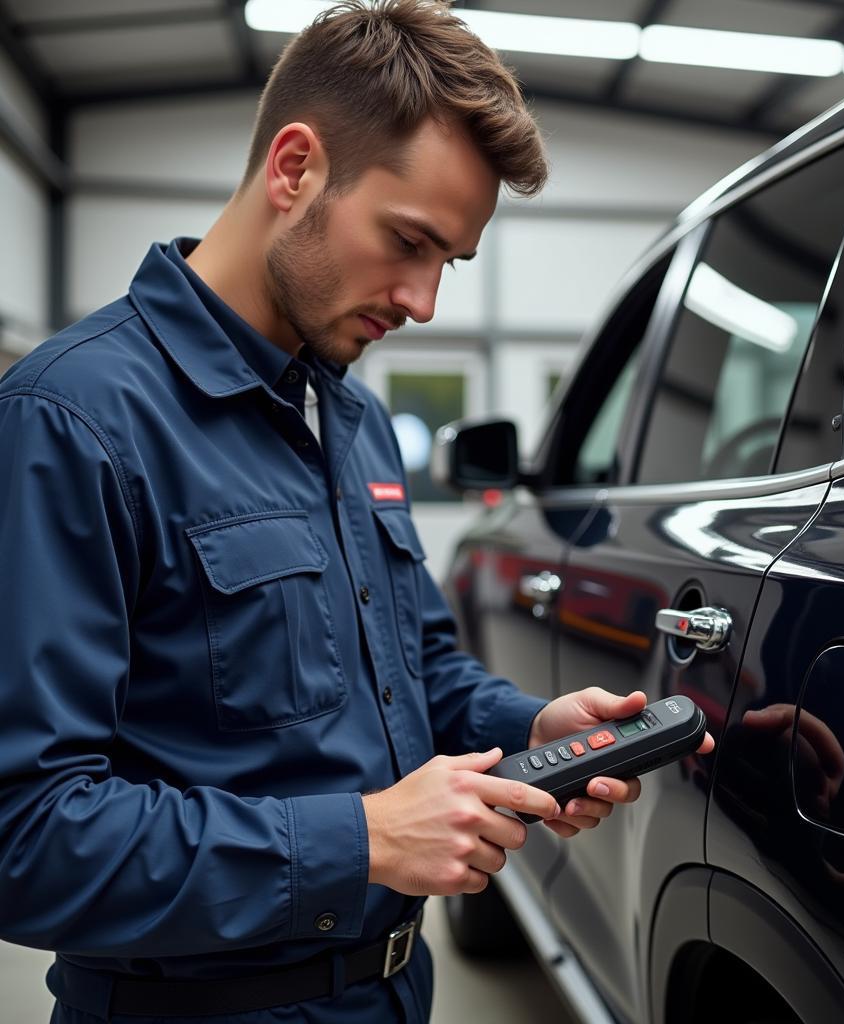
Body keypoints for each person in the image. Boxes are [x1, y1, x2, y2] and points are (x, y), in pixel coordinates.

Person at [0, 3, 714, 1022]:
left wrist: (531, 725)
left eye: (449, 263)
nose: (423, 301)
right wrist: (364, 841)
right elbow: (24, 831)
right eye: (409, 242)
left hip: (391, 992)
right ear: (294, 169)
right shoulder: (72, 422)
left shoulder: (352, 418)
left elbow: (415, 666)